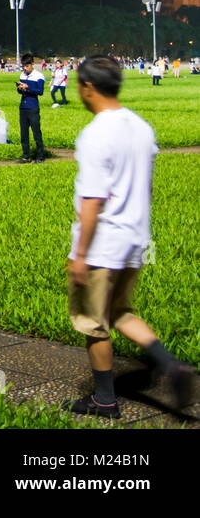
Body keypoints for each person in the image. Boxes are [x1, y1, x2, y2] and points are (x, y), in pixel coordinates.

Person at [63, 55, 194, 418]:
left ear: (89, 88)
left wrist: (80, 254)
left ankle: (104, 400)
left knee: (94, 323)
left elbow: (92, 199)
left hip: (102, 244)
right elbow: (147, 187)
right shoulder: (140, 127)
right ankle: (171, 365)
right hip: (135, 238)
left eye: (79, 85)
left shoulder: (95, 134)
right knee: (120, 311)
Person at [16, 54, 47, 163]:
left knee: (36, 132)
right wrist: (20, 88)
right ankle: (26, 155)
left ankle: (40, 156)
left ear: (32, 64)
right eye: (23, 66)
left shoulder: (39, 76)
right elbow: (20, 91)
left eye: (27, 66)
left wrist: (28, 87)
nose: (25, 68)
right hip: (23, 107)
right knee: (24, 133)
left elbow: (40, 91)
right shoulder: (22, 75)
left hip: (33, 107)